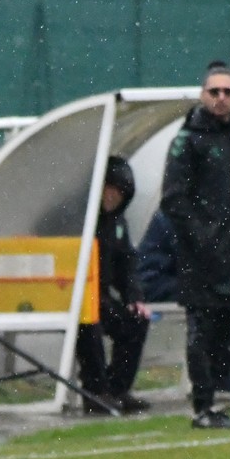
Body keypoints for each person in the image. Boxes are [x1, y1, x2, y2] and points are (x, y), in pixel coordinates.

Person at [160, 61, 230, 429]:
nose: (221, 98)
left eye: (227, 91)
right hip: (201, 259)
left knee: (227, 331)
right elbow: (173, 200)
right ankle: (202, 406)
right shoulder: (188, 141)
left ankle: (217, 401)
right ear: (202, 95)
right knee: (202, 330)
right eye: (214, 91)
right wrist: (203, 238)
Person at [74, 155, 151, 414]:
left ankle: (118, 389)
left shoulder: (118, 223)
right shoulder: (76, 216)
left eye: (119, 192)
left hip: (100, 296)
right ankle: (95, 391)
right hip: (73, 296)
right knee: (90, 325)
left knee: (136, 321)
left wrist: (134, 298)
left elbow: (126, 264)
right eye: (109, 189)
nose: (112, 196)